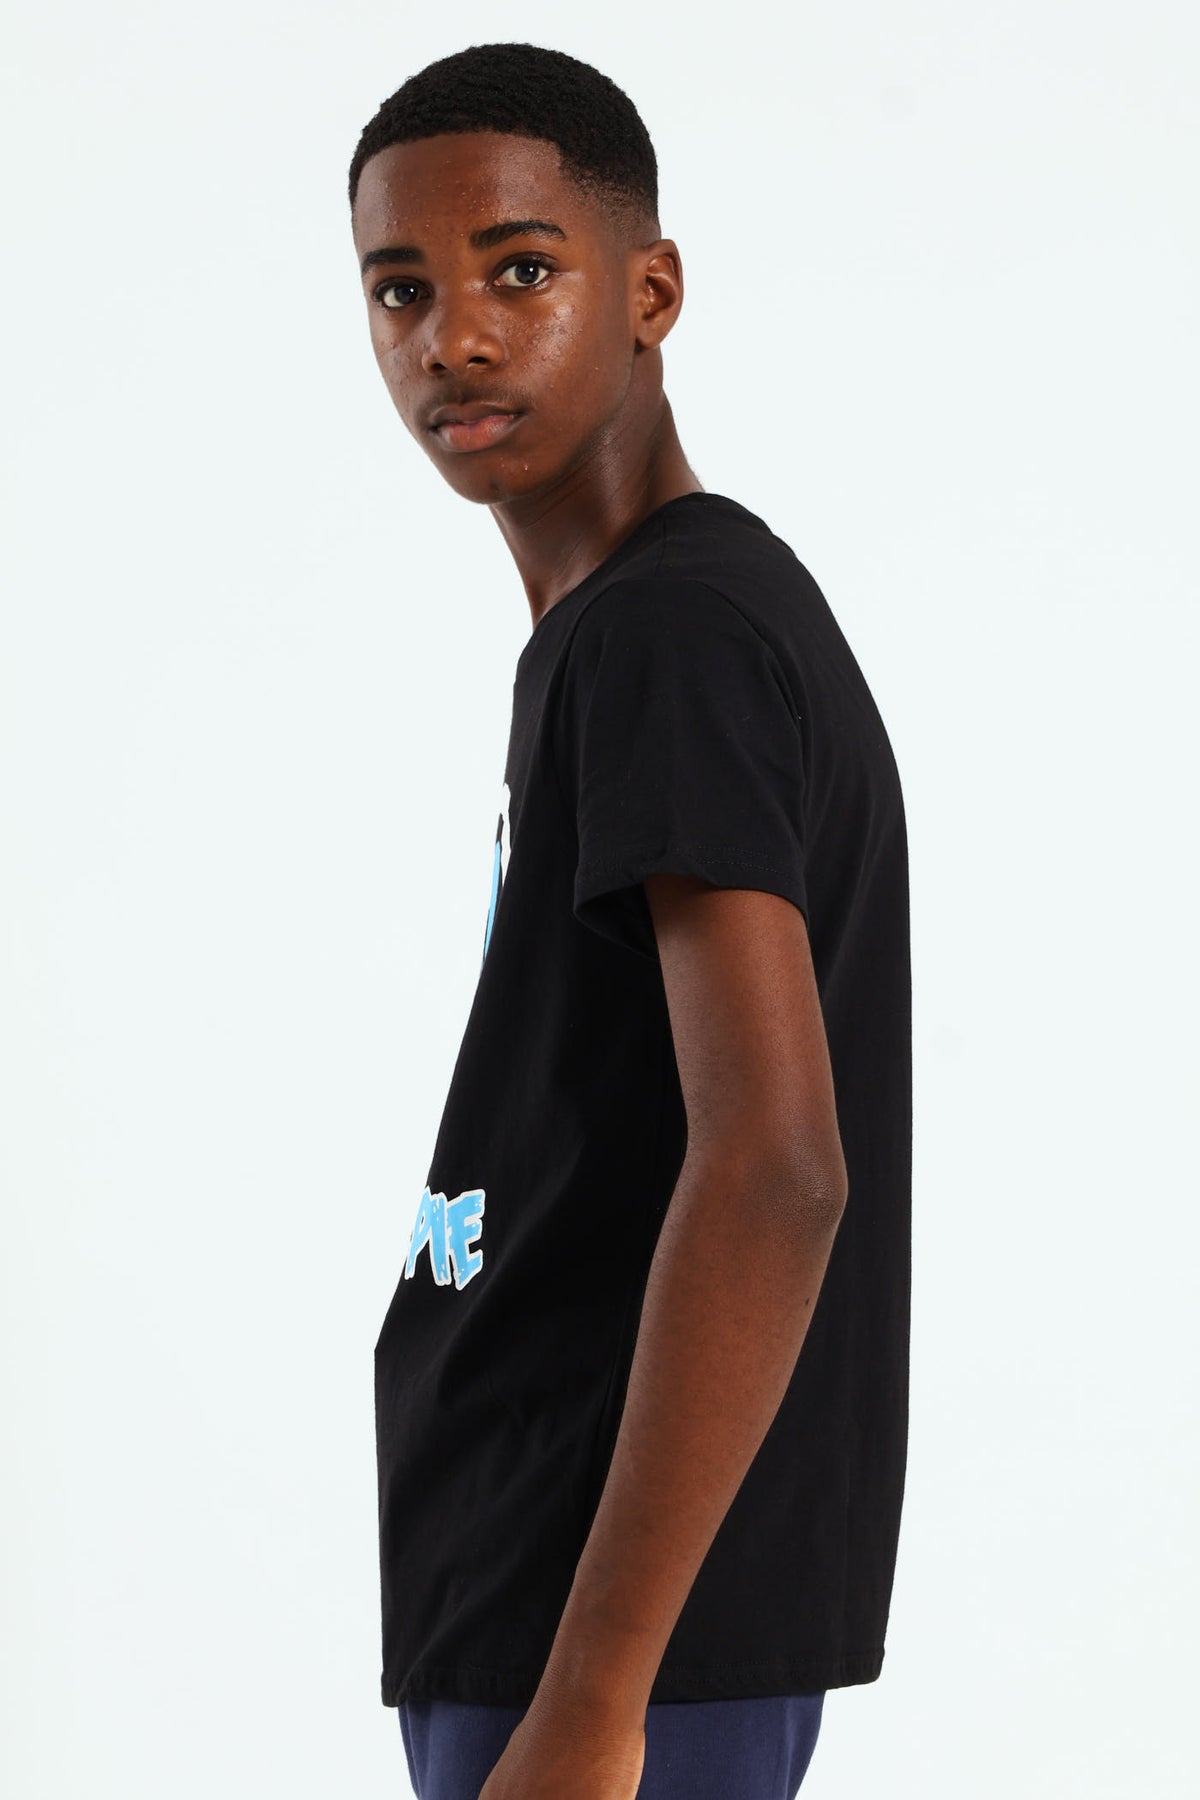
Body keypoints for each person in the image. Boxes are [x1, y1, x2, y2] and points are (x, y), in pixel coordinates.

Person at [347, 40, 911, 1800]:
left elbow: (776, 1168)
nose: (455, 338)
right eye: (402, 289)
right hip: (558, 1615)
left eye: (522, 270)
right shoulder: (628, 629)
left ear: (651, 291)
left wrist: (596, 1694)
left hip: (602, 1653)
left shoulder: (672, 631)